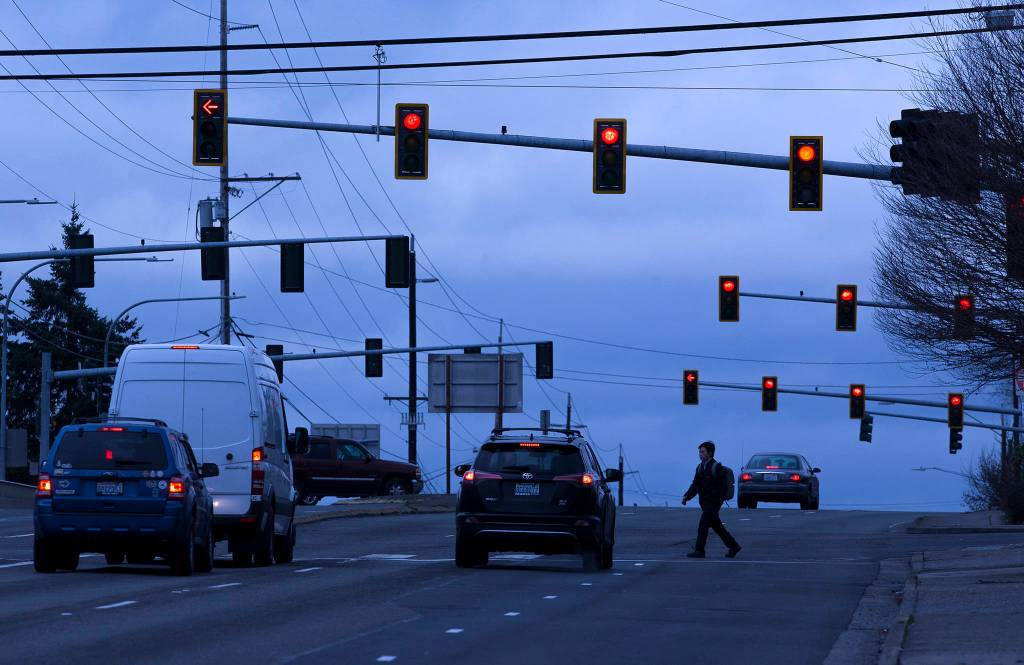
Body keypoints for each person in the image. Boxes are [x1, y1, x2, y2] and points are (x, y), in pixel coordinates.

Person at [681, 441, 741, 559]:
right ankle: (734, 546)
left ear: (710, 453)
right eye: (699, 452)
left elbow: (723, 487)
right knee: (717, 526)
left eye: (702, 452)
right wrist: (686, 496)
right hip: (704, 502)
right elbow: (695, 485)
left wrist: (715, 500)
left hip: (713, 503)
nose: (700, 454)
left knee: (703, 524)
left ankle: (699, 550)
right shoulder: (700, 467)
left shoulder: (716, 467)